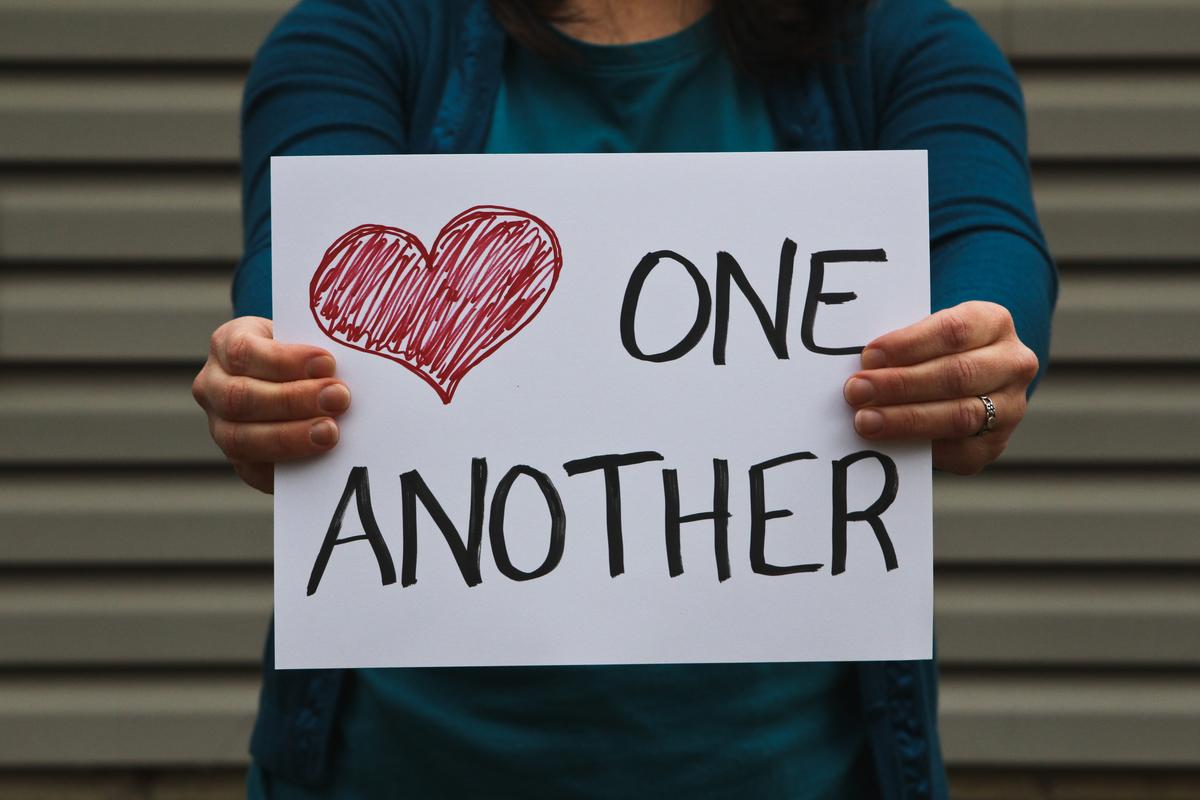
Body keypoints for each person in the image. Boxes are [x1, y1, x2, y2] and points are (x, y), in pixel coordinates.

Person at [191, 0, 1055, 796]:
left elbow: (986, 237)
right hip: (394, 767)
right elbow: (303, 269)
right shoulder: (359, 33)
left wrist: (970, 363)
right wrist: (274, 387)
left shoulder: (902, 40)